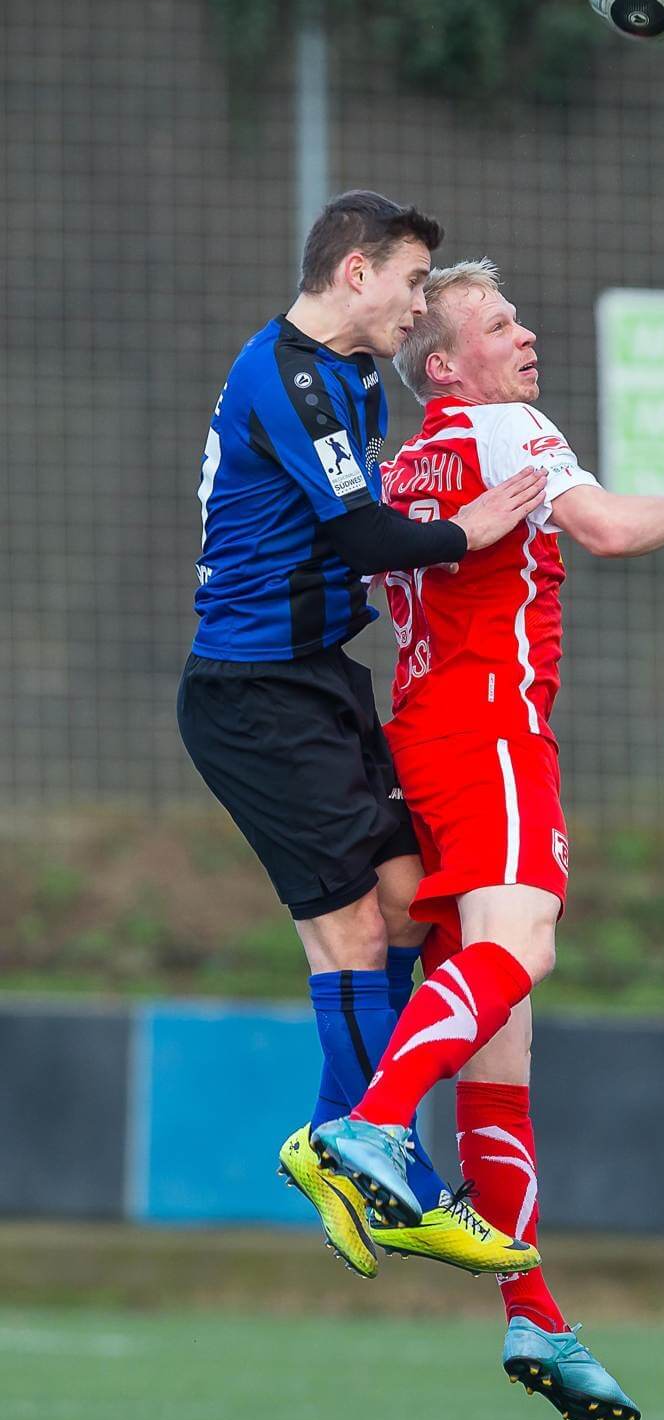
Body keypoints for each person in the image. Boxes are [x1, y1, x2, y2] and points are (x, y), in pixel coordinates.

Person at [310, 258, 664, 1420]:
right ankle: (368, 1122)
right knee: (526, 951)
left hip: (421, 743)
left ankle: (535, 1308)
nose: (526, 334)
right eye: (496, 323)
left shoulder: (408, 468)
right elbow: (605, 530)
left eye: (518, 317)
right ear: (444, 366)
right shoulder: (505, 426)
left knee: (500, 1055)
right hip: (492, 735)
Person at [176, 195, 549, 1282]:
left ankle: (332, 1135)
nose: (418, 305)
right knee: (351, 933)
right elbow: (361, 531)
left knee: (403, 895)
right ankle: (400, 1175)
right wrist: (463, 531)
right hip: (255, 700)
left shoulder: (338, 378)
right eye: (412, 283)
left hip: (314, 682)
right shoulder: (289, 377)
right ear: (355, 272)